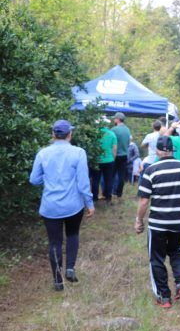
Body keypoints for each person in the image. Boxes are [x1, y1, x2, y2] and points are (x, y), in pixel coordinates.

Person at [29, 120, 95, 291]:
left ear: (53, 134)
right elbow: (83, 182)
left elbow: (34, 180)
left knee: (54, 242)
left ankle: (58, 281)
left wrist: (50, 179)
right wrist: (89, 203)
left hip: (50, 206)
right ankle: (70, 268)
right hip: (73, 205)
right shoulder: (78, 152)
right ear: (69, 134)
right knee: (73, 234)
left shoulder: (43, 153)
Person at [135, 136, 180, 308]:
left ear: (157, 150)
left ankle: (164, 297)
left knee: (156, 258)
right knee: (176, 251)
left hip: (158, 223)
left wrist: (138, 220)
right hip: (179, 222)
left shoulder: (151, 170)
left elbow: (143, 201)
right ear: (172, 150)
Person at [90, 124, 117, 204]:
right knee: (108, 180)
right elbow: (114, 148)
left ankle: (94, 198)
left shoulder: (94, 134)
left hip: (96, 160)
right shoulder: (112, 134)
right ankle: (108, 198)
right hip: (109, 160)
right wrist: (113, 159)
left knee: (95, 180)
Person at [111, 112, 131, 198]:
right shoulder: (127, 129)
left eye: (115, 118)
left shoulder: (114, 130)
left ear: (118, 119)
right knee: (121, 175)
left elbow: (111, 143)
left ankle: (111, 192)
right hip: (124, 155)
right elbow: (129, 143)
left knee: (111, 175)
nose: (114, 120)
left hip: (115, 155)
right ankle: (119, 193)